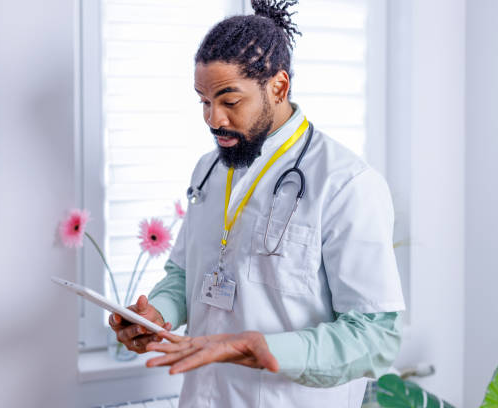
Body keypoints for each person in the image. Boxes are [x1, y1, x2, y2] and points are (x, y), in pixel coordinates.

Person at [110, 1, 405, 406]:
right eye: (203, 101)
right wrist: (156, 314)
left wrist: (266, 348)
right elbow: (184, 274)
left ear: (279, 87)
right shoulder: (208, 169)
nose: (213, 119)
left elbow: (376, 337)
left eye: (230, 102)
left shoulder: (346, 184)